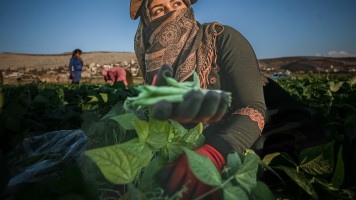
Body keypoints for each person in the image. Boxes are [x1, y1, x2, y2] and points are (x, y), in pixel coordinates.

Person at [130, 0, 325, 199]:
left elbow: (254, 107)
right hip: (211, 149)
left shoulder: (220, 38)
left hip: (274, 141)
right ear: (147, 22)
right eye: (159, 9)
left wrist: (215, 153)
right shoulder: (155, 67)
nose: (172, 12)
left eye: (177, 3)